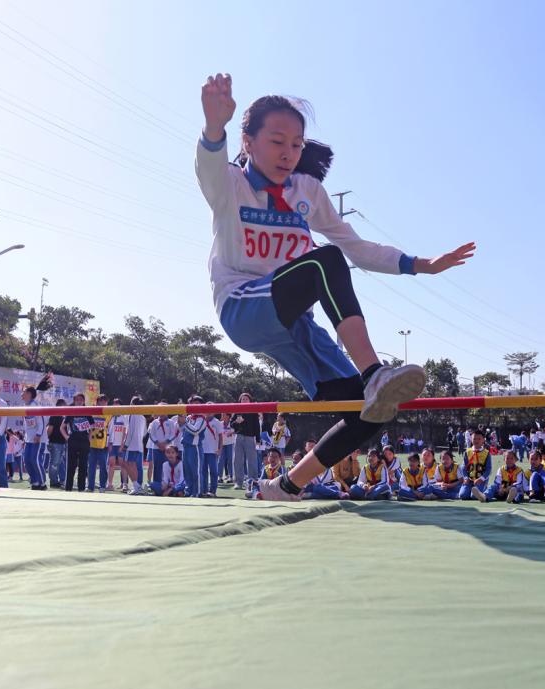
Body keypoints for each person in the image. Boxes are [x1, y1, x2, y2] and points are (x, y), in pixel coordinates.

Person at [197, 74, 475, 501]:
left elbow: (358, 249)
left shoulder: (307, 190)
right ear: (248, 142)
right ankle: (374, 371)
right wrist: (213, 127)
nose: (289, 154)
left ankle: (286, 485)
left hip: (294, 324)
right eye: (277, 141)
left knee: (369, 411)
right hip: (243, 306)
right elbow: (209, 168)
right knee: (323, 262)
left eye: (296, 145)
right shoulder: (230, 184)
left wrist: (422, 265)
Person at [230, 394, 261, 490]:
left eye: (246, 399)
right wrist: (236, 422)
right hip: (238, 437)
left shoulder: (253, 411)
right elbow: (232, 424)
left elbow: (257, 426)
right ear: (240, 401)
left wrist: (258, 439)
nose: (244, 400)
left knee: (252, 461)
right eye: (242, 399)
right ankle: (238, 483)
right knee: (237, 460)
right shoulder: (237, 410)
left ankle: (252, 482)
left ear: (250, 400)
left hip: (250, 438)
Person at [20, 385, 47, 490]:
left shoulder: (35, 406)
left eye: (24, 392)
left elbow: (41, 422)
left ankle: (42, 483)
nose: (22, 394)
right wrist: (24, 437)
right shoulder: (24, 406)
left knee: (35, 460)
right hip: (28, 439)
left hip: (38, 439)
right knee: (26, 460)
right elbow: (25, 424)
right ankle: (35, 481)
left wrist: (38, 434)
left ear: (30, 394)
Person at [63, 393, 91, 492]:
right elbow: (62, 427)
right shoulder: (71, 412)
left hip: (84, 442)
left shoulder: (87, 412)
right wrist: (67, 437)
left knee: (83, 466)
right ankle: (68, 489)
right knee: (71, 466)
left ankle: (81, 489)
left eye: (81, 400)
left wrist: (89, 439)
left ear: (84, 401)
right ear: (74, 401)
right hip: (73, 442)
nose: (79, 401)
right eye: (77, 400)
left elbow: (92, 428)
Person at [180, 397, 207, 497]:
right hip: (185, 446)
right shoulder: (188, 418)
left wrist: (185, 423)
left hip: (195, 447)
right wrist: (181, 419)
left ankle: (198, 492)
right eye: (192, 404)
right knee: (187, 471)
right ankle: (189, 491)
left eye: (196, 403)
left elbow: (196, 431)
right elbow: (181, 428)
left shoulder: (202, 419)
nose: (194, 406)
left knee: (196, 471)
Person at [123, 396, 147, 495]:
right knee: (133, 465)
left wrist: (126, 444)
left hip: (132, 445)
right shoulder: (142, 417)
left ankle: (136, 486)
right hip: (139, 445)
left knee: (128, 464)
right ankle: (137, 486)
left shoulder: (132, 414)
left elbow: (130, 431)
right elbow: (145, 433)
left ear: (132, 404)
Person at [459, 431, 491, 501]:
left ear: (483, 440)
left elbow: (489, 469)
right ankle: (471, 489)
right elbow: (463, 467)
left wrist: (481, 479)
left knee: (474, 496)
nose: (476, 440)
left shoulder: (486, 453)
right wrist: (465, 477)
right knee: (463, 495)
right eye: (474, 439)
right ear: (471, 439)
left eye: (479, 439)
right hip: (469, 480)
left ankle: (484, 488)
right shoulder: (467, 452)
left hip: (480, 480)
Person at [87, 395, 110, 492]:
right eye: (101, 401)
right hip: (91, 444)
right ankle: (90, 486)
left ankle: (102, 486)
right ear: (98, 402)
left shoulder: (108, 413)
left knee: (103, 467)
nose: (104, 403)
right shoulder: (92, 412)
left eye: (105, 401)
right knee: (91, 467)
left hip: (102, 445)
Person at [201, 406, 223, 498]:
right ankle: (204, 490)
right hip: (202, 450)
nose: (208, 412)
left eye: (211, 410)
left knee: (213, 471)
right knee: (203, 471)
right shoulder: (200, 421)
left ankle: (213, 491)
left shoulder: (217, 422)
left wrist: (220, 449)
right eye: (207, 410)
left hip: (213, 451)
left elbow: (221, 437)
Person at [46, 399, 68, 488]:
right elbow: (49, 429)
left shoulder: (62, 416)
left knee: (59, 463)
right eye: (64, 405)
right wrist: (49, 440)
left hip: (61, 442)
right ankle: (54, 481)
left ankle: (61, 480)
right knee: (55, 463)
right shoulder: (55, 415)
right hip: (55, 443)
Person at [107, 398, 128, 492]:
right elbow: (108, 431)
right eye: (114, 405)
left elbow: (126, 432)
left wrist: (122, 444)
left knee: (122, 465)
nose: (115, 407)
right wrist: (109, 443)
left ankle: (125, 484)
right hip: (112, 445)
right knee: (111, 464)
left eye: (117, 405)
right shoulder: (111, 417)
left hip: (120, 445)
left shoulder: (124, 418)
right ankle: (109, 484)